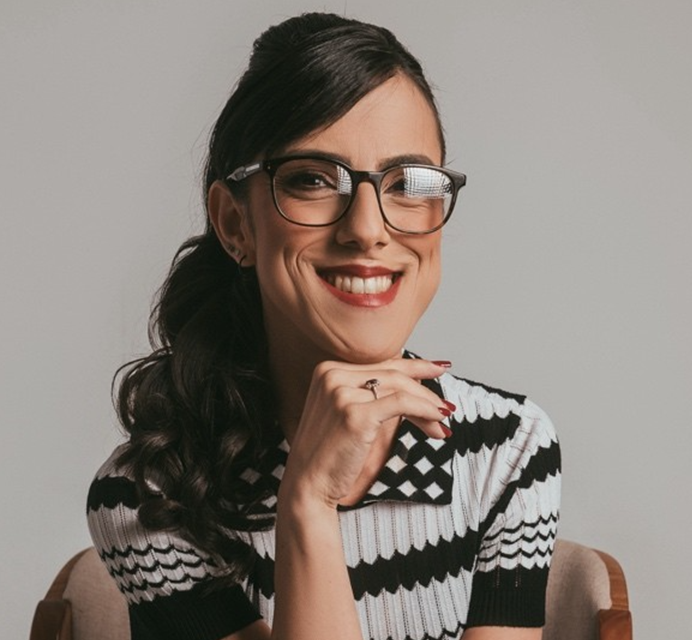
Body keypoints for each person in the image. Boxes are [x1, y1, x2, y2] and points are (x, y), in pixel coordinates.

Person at [86, 12, 561, 640]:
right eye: (313, 179)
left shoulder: (508, 447)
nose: (367, 228)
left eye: (410, 183)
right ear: (234, 224)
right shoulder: (150, 495)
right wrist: (308, 502)